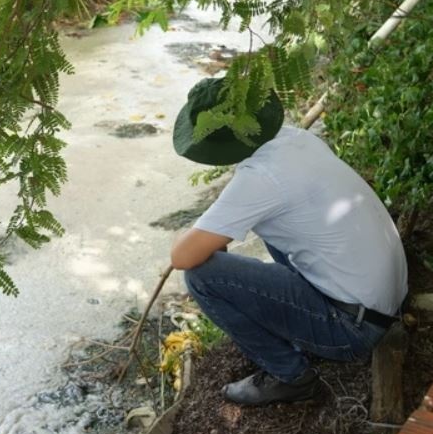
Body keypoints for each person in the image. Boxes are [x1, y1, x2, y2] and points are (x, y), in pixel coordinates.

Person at [169, 78, 407, 406]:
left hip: (354, 330)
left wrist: (205, 230)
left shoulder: (259, 179)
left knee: (201, 277)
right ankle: (306, 328)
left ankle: (291, 377)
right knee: (278, 225)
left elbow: (183, 256)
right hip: (386, 301)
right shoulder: (297, 138)